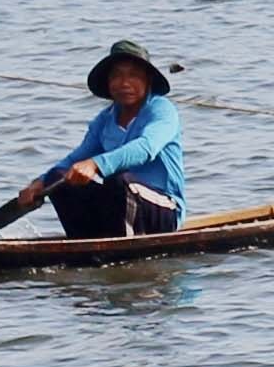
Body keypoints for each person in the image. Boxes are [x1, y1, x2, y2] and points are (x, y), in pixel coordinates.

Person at [10, 40, 187, 237]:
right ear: (108, 82)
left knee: (118, 181)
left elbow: (146, 148)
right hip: (123, 203)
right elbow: (75, 159)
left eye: (134, 75)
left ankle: (124, 245)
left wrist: (96, 164)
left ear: (148, 80)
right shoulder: (104, 120)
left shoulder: (162, 109)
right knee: (59, 177)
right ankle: (82, 241)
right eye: (116, 76)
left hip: (164, 208)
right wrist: (40, 183)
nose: (124, 83)